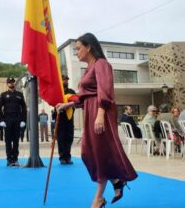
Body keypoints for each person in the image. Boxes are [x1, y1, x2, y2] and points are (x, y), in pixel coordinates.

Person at [56, 33, 137, 208]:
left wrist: (100, 113)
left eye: (78, 48)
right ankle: (116, 180)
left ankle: (98, 199)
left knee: (99, 153)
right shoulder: (89, 68)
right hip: (90, 111)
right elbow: (85, 96)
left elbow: (105, 90)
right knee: (88, 153)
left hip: (101, 112)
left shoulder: (102, 64)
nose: (76, 52)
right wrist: (67, 104)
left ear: (89, 47)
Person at [0, 77, 27, 166]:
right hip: (8, 119)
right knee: (8, 140)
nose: (11, 84)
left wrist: (23, 120)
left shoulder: (20, 94)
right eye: (10, 82)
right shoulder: (3, 95)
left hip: (17, 119)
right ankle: (9, 159)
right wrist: (1, 120)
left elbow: (24, 108)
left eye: (13, 82)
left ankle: (15, 159)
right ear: (7, 84)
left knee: (16, 140)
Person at [57, 75, 77, 165]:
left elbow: (76, 102)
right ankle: (62, 157)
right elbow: (54, 103)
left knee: (69, 137)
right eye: (64, 80)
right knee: (61, 138)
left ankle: (68, 157)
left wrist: (70, 110)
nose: (66, 81)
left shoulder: (71, 91)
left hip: (69, 117)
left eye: (66, 80)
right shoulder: (57, 92)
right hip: (60, 117)